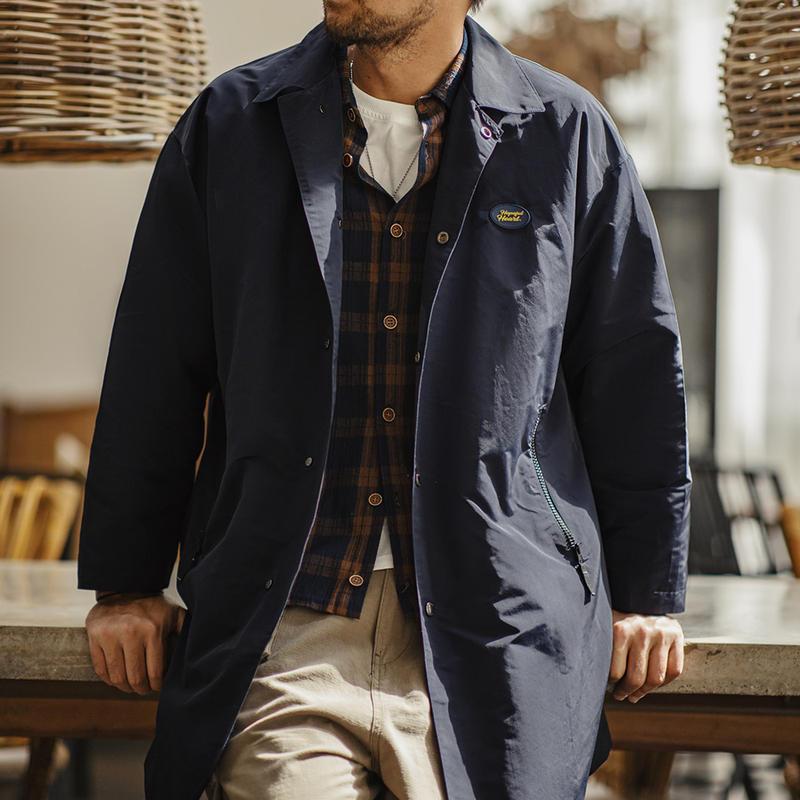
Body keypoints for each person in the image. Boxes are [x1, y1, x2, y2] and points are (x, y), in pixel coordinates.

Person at [78, 1, 691, 798]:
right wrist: (126, 585)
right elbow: (153, 363)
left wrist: (646, 596)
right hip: (287, 631)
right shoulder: (231, 125)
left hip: (499, 629)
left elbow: (634, 375)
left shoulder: (566, 134)